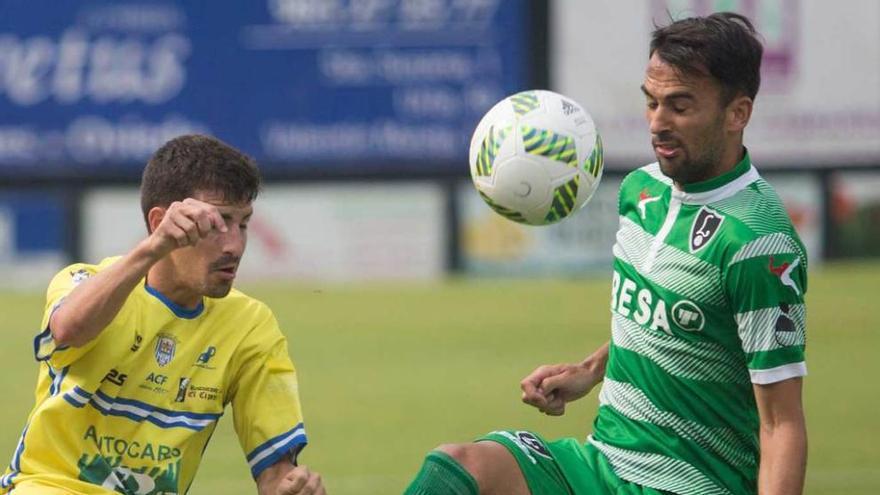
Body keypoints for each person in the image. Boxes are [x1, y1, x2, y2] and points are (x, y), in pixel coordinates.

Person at [405, 12, 807, 495]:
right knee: (458, 468)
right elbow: (671, 324)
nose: (658, 122)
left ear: (736, 113)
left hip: (690, 483)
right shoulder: (641, 191)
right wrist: (590, 371)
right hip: (605, 460)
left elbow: (781, 423)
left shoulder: (758, 244)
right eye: (652, 103)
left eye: (679, 106)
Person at [1, 135, 326, 495]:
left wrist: (290, 488)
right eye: (216, 223)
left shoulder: (251, 326)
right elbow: (67, 330)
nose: (234, 245)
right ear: (161, 222)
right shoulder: (85, 282)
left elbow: (276, 471)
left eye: (243, 224)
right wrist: (154, 248)